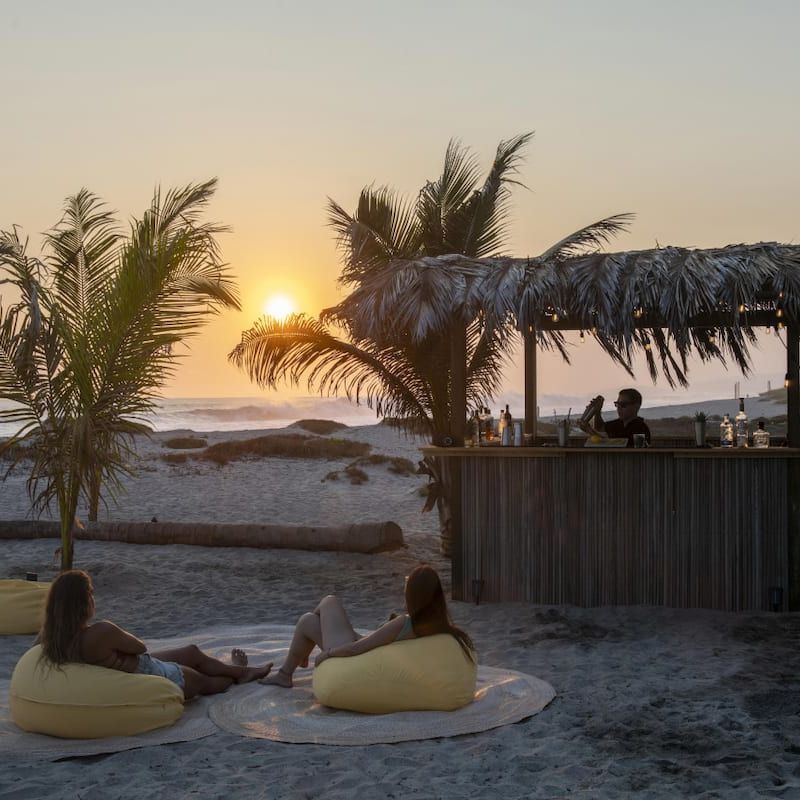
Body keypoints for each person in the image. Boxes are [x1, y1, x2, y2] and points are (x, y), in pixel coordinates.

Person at [38, 570, 273, 699]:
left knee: (191, 651)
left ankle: (240, 670)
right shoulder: (101, 632)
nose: (93, 599)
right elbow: (140, 647)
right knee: (208, 682)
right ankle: (238, 673)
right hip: (151, 674)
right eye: (90, 594)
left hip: (138, 667)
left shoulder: (52, 638)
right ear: (82, 603)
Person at [261, 564, 475, 688]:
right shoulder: (441, 628)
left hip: (355, 661)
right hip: (369, 654)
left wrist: (326, 655)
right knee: (308, 620)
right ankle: (289, 670)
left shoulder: (406, 623)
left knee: (328, 601)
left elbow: (357, 649)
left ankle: (292, 666)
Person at [580, 388, 651, 448]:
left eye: (623, 405)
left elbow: (639, 452)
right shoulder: (618, 424)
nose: (619, 408)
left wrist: (589, 430)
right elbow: (599, 427)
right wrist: (597, 411)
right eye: (617, 404)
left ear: (636, 406)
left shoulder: (641, 428)